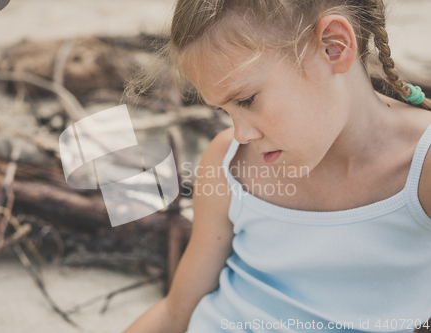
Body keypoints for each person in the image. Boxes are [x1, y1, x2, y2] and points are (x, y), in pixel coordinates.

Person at [121, 0, 431, 332]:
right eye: (226, 110)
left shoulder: (422, 165)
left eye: (246, 100)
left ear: (334, 47)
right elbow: (175, 313)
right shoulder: (231, 162)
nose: (241, 132)